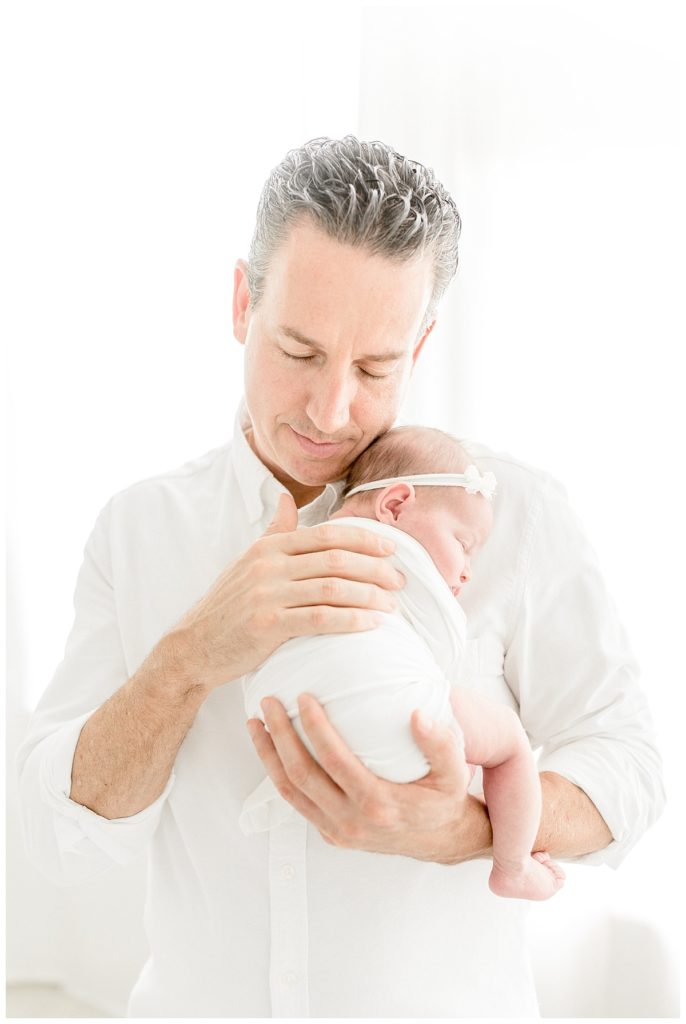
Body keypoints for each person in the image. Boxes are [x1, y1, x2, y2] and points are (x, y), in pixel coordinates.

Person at [16, 136, 664, 1018]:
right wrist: (190, 658)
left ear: (423, 342)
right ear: (243, 302)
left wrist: (461, 831)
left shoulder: (514, 517)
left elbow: (629, 767)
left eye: (373, 368)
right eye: (299, 350)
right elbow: (74, 826)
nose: (331, 410)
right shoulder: (140, 529)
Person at [241, 424, 566, 901]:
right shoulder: (407, 570)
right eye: (464, 543)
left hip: (281, 721)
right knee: (511, 743)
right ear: (394, 506)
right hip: (393, 721)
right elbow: (440, 655)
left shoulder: (299, 546)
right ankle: (513, 867)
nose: (468, 569)